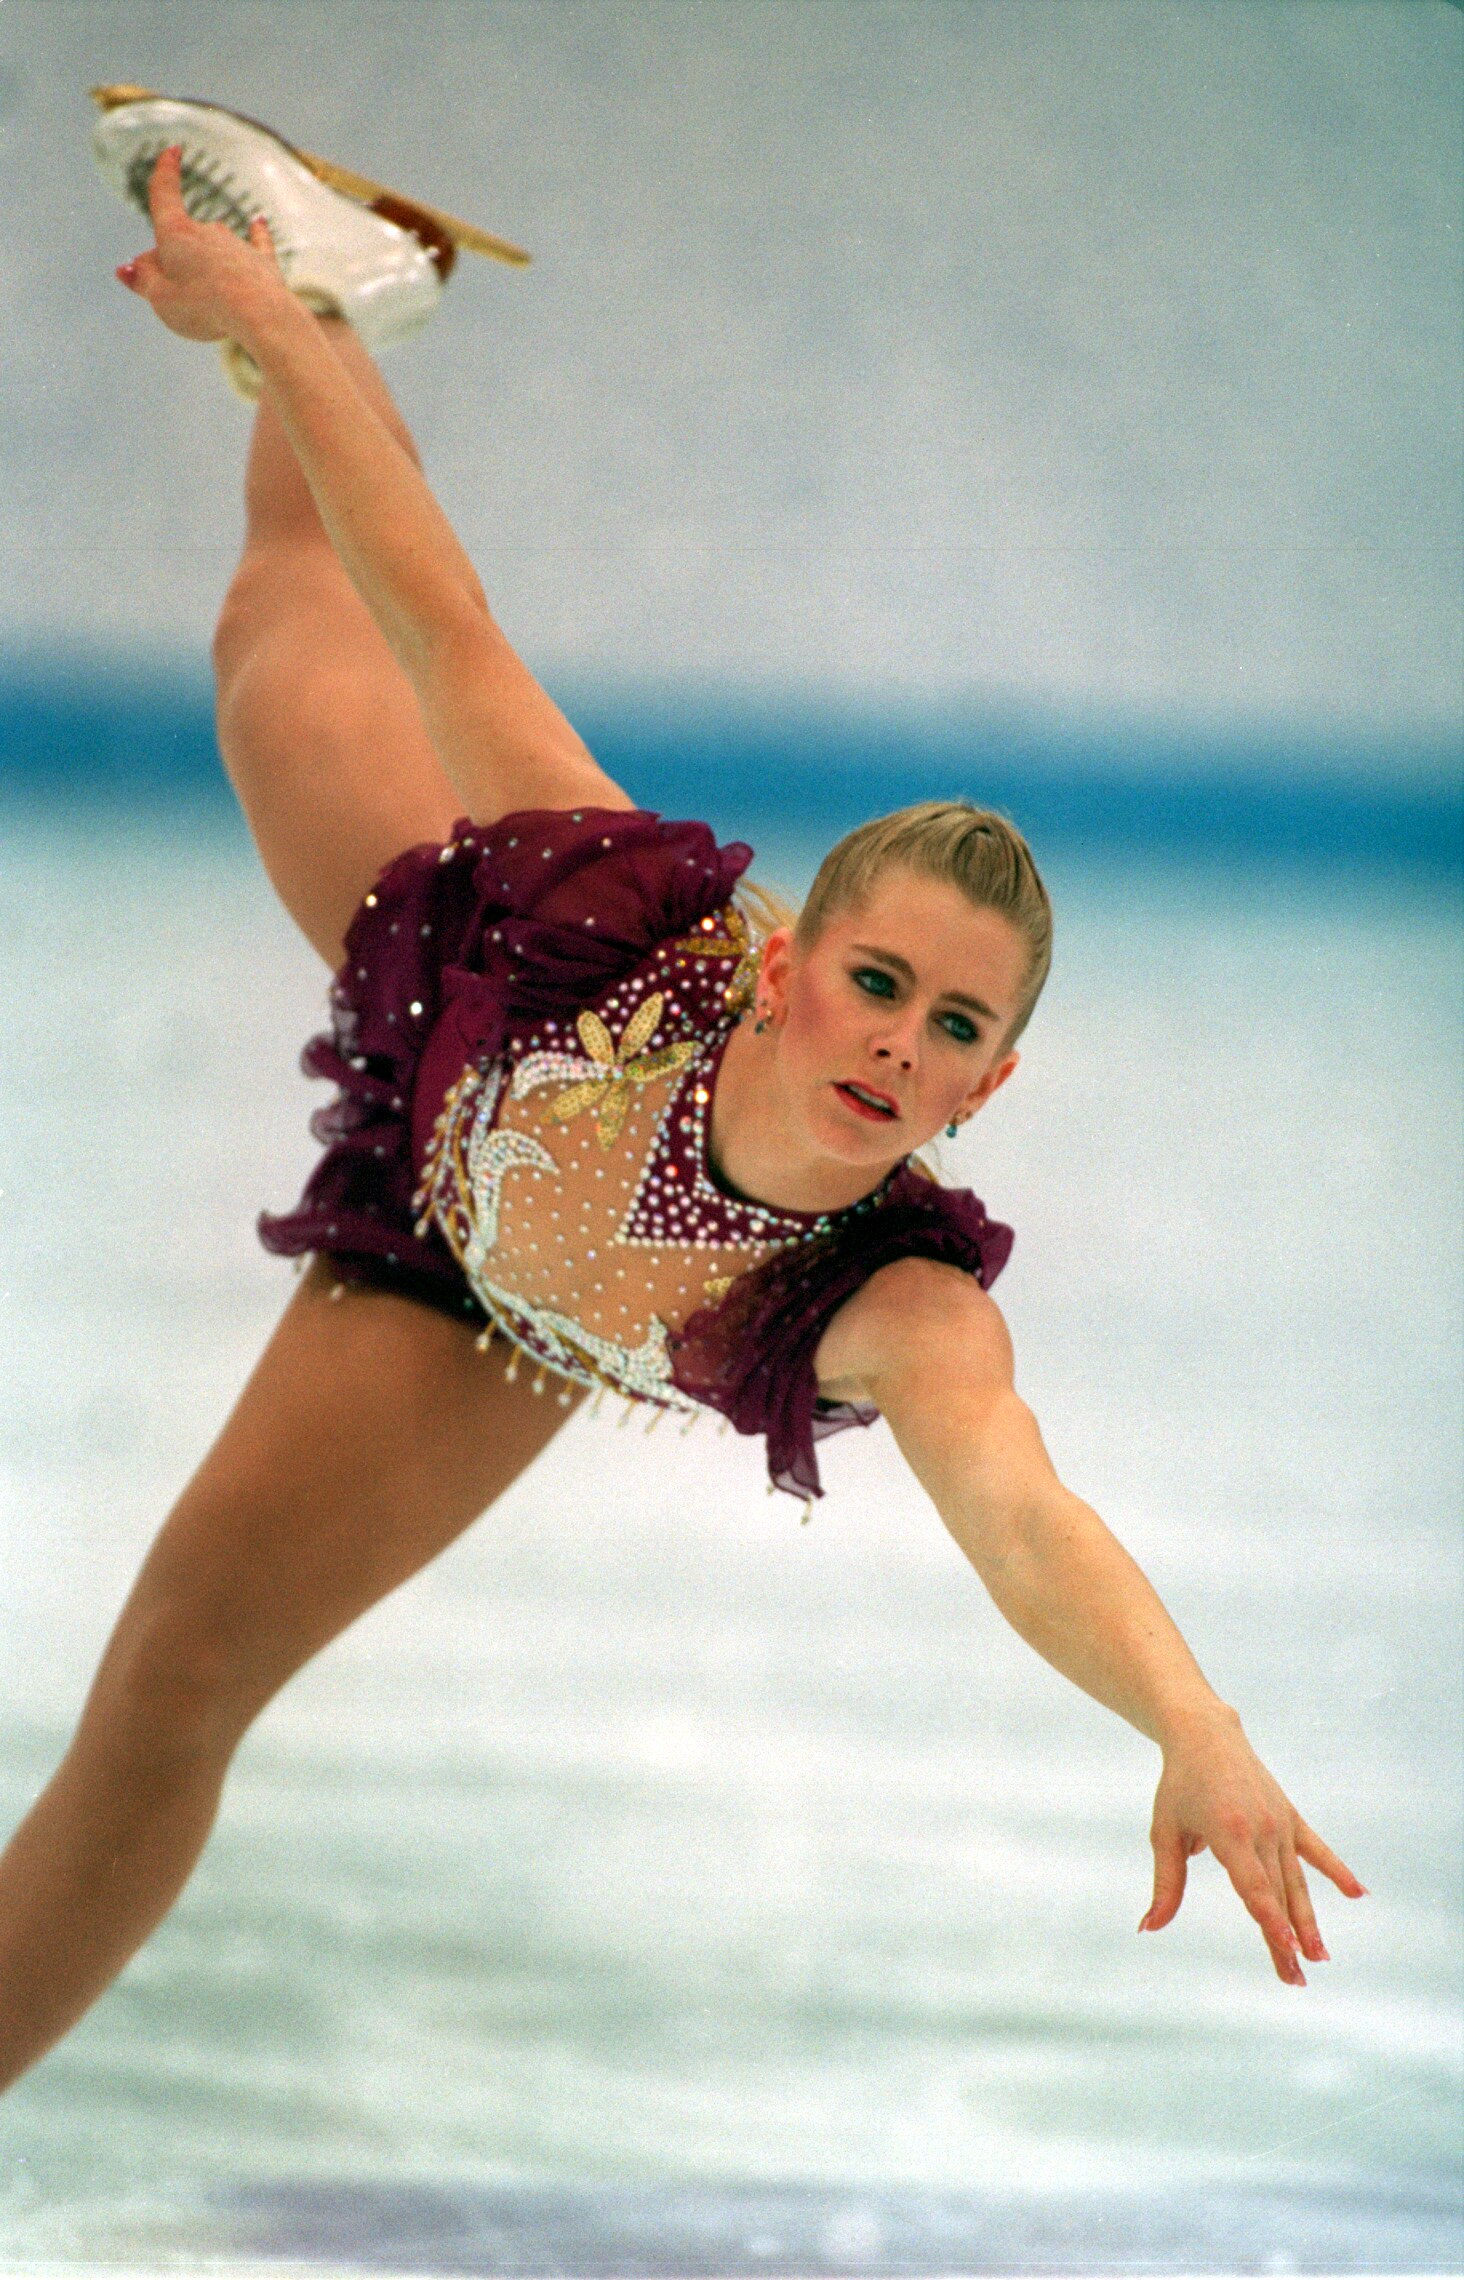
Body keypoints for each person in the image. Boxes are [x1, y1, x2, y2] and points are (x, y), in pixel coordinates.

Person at [0, 99, 1366, 2093]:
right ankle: (330, 283)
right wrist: (269, 340)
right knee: (281, 624)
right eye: (880, 983)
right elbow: (438, 600)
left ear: (994, 1079)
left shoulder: (901, 1310)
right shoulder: (630, 924)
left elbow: (1028, 1523)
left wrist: (1197, 1722)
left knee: (177, 1686)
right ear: (794, 964)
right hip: (472, 1034)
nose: (903, 1042)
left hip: (470, 1310)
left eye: (956, 1027)